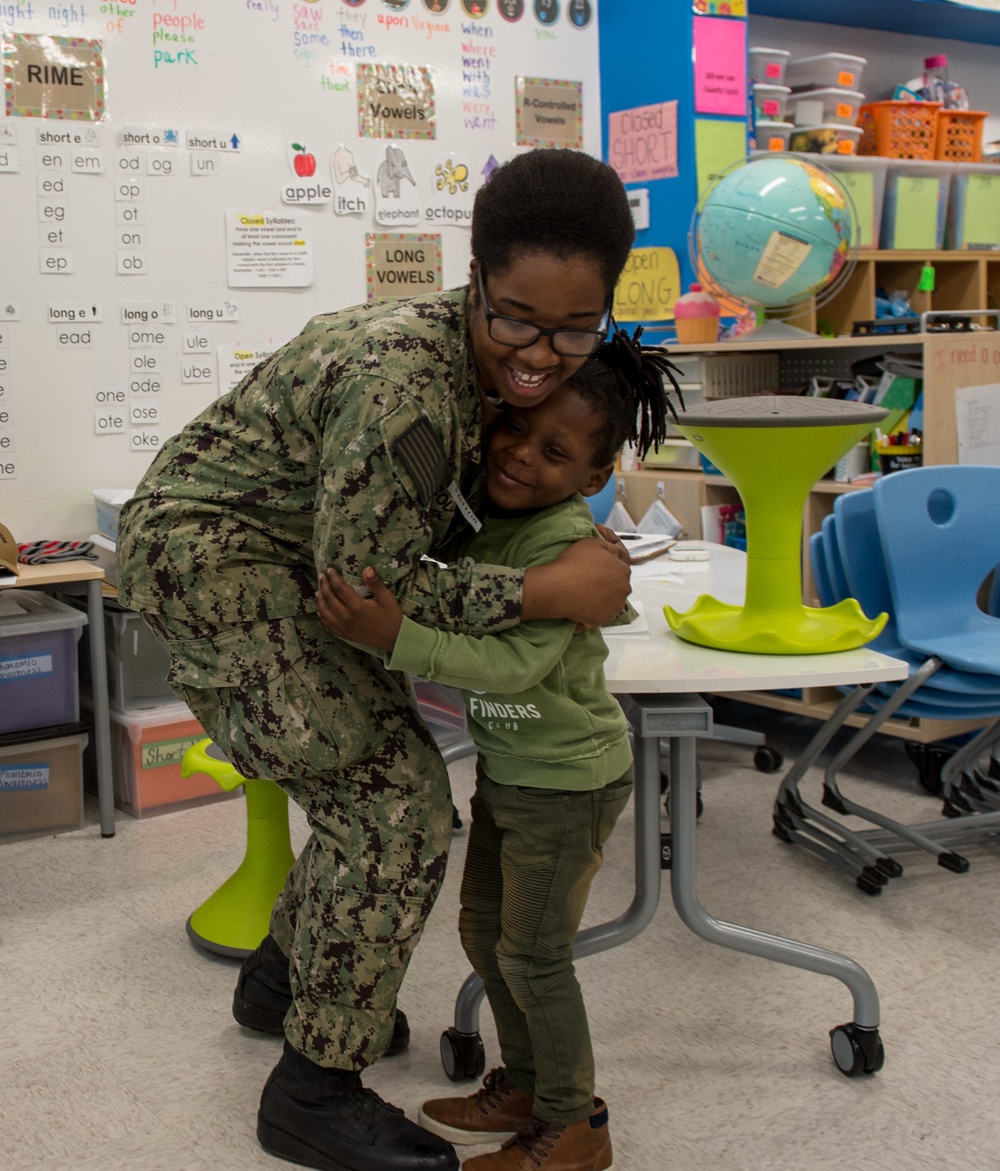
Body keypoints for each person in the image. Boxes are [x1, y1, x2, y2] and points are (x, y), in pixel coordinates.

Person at [114, 147, 638, 1171]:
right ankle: (314, 1091)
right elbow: (369, 592)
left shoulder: (476, 362)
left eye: (576, 327)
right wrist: (544, 591)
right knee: (394, 803)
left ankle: (283, 981)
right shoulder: (407, 382)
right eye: (517, 318)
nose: (541, 352)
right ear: (474, 278)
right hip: (216, 561)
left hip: (281, 557)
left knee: (386, 779)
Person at [316, 332, 681, 1171]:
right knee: (485, 932)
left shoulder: (564, 544)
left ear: (594, 480)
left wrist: (397, 637)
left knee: (532, 953)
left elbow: (512, 661)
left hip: (568, 782)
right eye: (514, 427)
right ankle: (524, 1080)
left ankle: (573, 1123)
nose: (518, 453)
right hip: (513, 773)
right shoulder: (492, 514)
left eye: (553, 450)